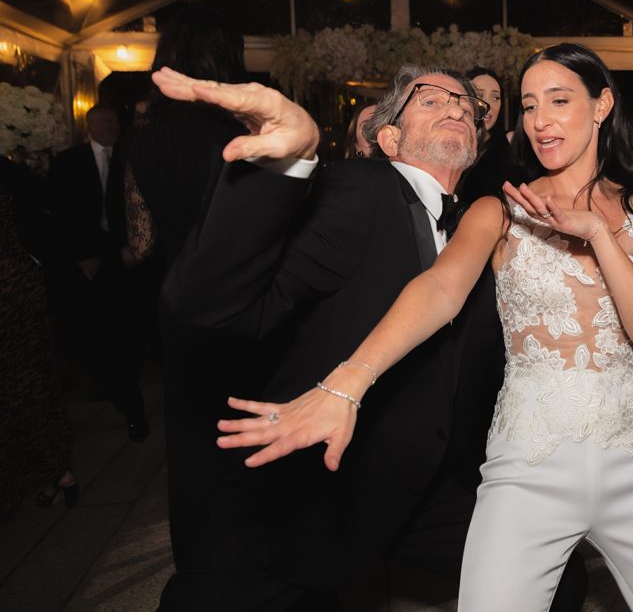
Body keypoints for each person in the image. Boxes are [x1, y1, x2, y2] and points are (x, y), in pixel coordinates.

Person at [214, 43, 633, 611]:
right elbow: (438, 289)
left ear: (603, 104)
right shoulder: (499, 211)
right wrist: (348, 383)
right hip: (529, 467)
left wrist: (601, 236)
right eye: (529, 106)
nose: (540, 120)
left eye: (558, 101)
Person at [153, 63, 585, 610]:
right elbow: (207, 305)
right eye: (429, 100)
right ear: (387, 137)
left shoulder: (473, 231)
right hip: (299, 497)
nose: (455, 107)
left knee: (556, 573)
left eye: (465, 107)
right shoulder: (358, 189)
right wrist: (282, 164)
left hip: (418, 486)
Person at [120, 7, 255, 578]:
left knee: (192, 446)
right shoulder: (247, 136)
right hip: (248, 308)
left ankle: (199, 568)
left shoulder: (143, 141)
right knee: (251, 440)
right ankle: (255, 566)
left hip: (180, 306)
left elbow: (140, 241)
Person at [48, 104, 148, 442]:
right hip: (88, 258)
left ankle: (131, 400)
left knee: (124, 327)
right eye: (102, 122)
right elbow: (65, 211)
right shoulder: (68, 162)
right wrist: (84, 254)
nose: (109, 126)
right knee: (93, 329)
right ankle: (110, 384)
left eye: (113, 121)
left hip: (123, 256)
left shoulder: (131, 158)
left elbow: (142, 204)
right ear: (89, 126)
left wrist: (136, 246)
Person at [0, 180, 76, 517]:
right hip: (21, 283)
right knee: (35, 387)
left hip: (10, 294)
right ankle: (58, 474)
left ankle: (56, 472)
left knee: (22, 393)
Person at [456, 66, 510, 202]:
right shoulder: (448, 143)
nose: (489, 105)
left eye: (496, 97)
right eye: (479, 95)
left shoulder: (509, 145)